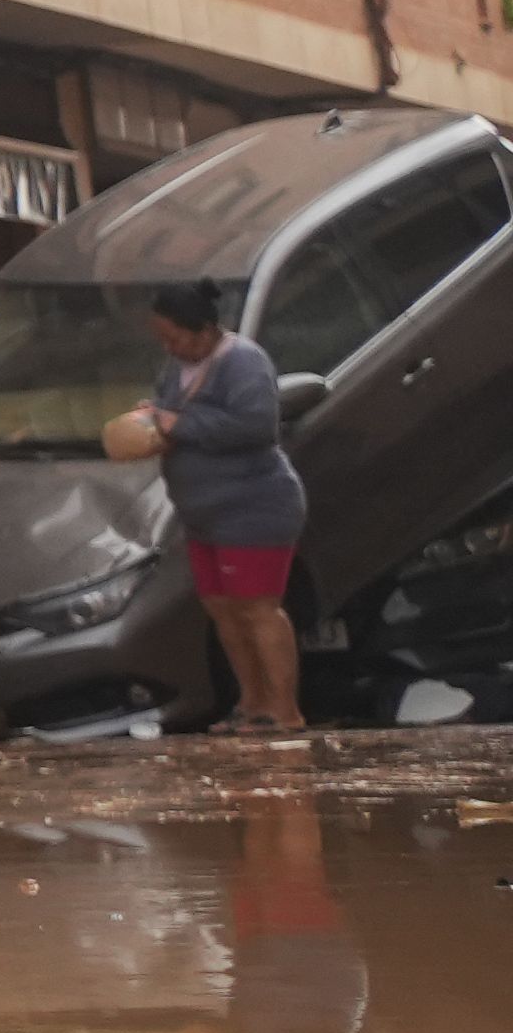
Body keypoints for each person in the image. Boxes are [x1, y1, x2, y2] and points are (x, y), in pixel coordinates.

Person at [125, 278, 309, 736]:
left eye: (176, 337)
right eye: (163, 339)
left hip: (252, 507)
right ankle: (252, 701)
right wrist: (150, 419)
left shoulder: (243, 362)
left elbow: (255, 426)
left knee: (257, 608)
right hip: (202, 514)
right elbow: (172, 417)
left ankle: (284, 710)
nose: (169, 346)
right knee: (223, 610)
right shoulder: (175, 368)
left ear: (205, 329)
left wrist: (178, 423)